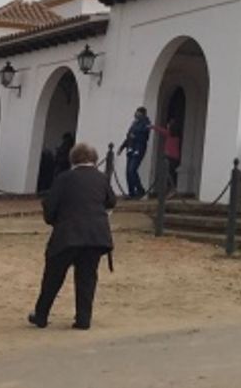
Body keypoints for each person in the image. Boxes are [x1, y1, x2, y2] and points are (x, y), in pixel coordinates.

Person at [28, 143, 115, 330]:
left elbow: (51, 205)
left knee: (53, 276)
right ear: (94, 158)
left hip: (67, 233)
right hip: (95, 235)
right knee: (87, 277)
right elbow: (111, 201)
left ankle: (41, 315)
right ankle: (83, 318)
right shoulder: (101, 178)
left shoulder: (64, 178)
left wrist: (54, 220)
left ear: (73, 159)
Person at [116, 107, 151, 199]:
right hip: (130, 149)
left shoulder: (146, 123)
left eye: (138, 113)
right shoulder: (134, 123)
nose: (136, 114)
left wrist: (135, 136)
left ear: (143, 114)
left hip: (138, 149)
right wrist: (122, 147)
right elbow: (128, 137)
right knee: (128, 172)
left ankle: (140, 190)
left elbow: (144, 137)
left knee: (132, 170)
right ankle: (131, 192)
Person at [150, 118, 183, 194]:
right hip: (175, 157)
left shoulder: (169, 133)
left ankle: (171, 189)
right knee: (171, 173)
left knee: (168, 174)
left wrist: (152, 126)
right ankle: (171, 189)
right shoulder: (177, 135)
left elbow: (160, 130)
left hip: (169, 156)